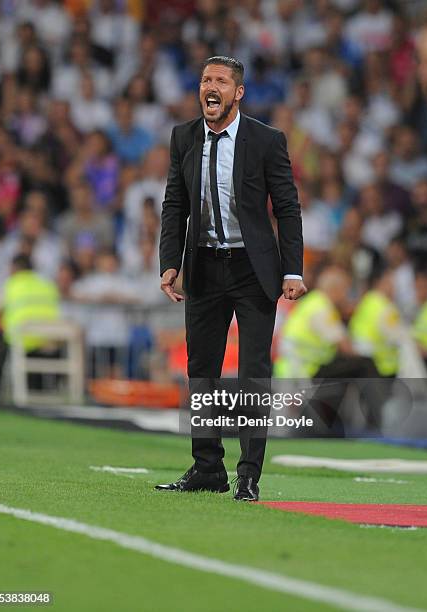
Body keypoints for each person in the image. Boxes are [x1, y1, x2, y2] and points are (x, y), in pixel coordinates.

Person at [156, 56, 306, 501]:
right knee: (201, 369)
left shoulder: (266, 139)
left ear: (238, 92)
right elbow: (174, 205)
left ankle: (248, 475)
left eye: (220, 80)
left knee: (253, 372)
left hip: (252, 268)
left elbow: (287, 206)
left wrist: (292, 269)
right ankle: (208, 468)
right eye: (205, 79)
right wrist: (170, 261)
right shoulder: (183, 137)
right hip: (202, 264)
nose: (211, 86)